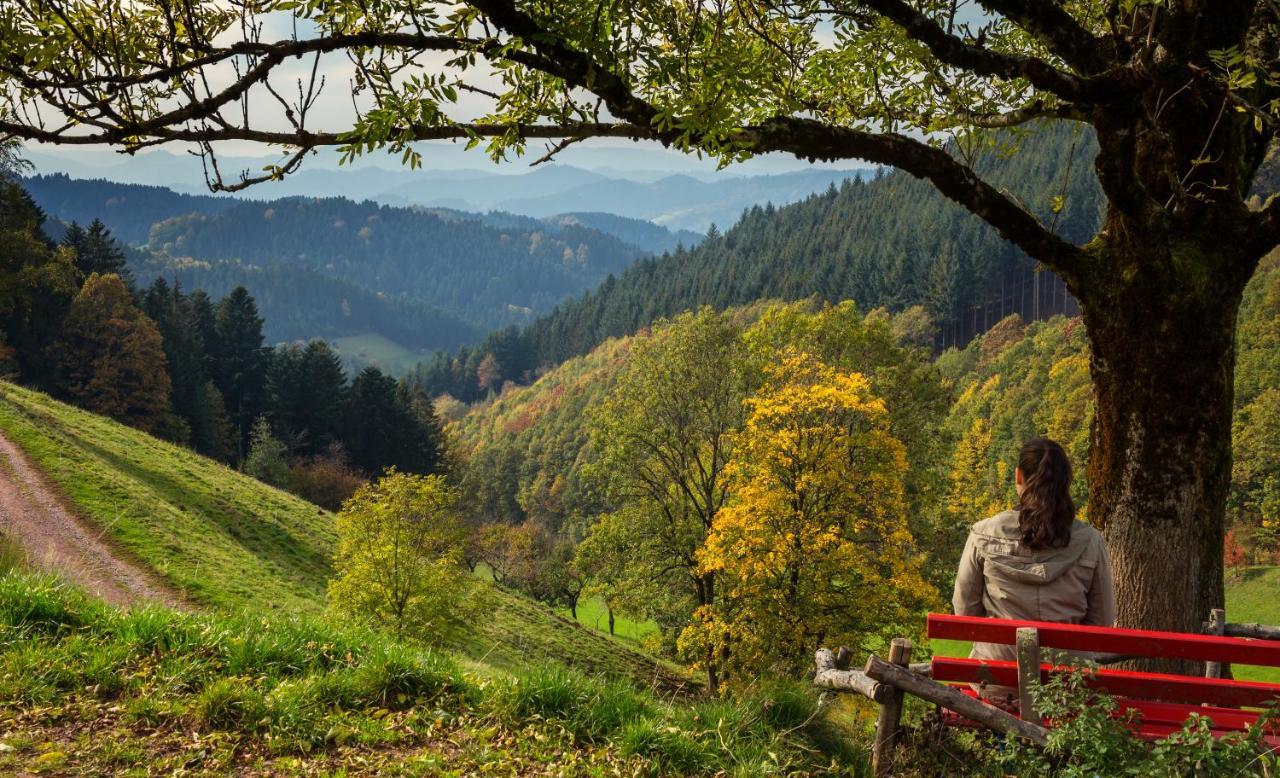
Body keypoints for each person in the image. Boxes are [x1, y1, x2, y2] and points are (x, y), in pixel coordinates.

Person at [952, 437, 1114, 700]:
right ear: (1065, 483)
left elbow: (965, 612)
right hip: (1066, 686)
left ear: (1018, 476)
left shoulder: (983, 534)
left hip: (998, 682)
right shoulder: (1090, 541)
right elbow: (1102, 621)